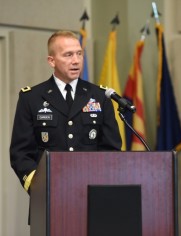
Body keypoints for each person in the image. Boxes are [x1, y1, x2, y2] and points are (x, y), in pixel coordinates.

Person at [10, 30, 122, 195]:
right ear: (51, 61)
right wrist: (39, 186)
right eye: (68, 55)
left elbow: (111, 149)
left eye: (79, 54)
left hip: (93, 193)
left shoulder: (99, 96)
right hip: (49, 194)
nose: (76, 61)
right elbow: (21, 152)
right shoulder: (31, 98)